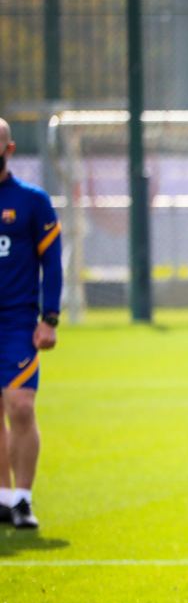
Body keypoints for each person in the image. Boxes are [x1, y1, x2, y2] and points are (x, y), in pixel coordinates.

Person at [0, 117, 61, 530]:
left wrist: (50, 319)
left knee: (20, 406)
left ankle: (23, 497)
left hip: (18, 321)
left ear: (9, 148)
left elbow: (52, 263)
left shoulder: (32, 200)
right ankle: (2, 498)